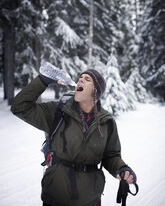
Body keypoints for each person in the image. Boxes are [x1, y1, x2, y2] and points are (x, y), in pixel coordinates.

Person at [11, 68, 137, 206]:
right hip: (55, 197)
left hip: (90, 199)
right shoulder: (58, 112)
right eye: (80, 77)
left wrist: (122, 168)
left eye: (87, 79)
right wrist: (43, 81)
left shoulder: (106, 122)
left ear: (96, 92)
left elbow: (111, 156)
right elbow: (19, 107)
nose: (81, 80)